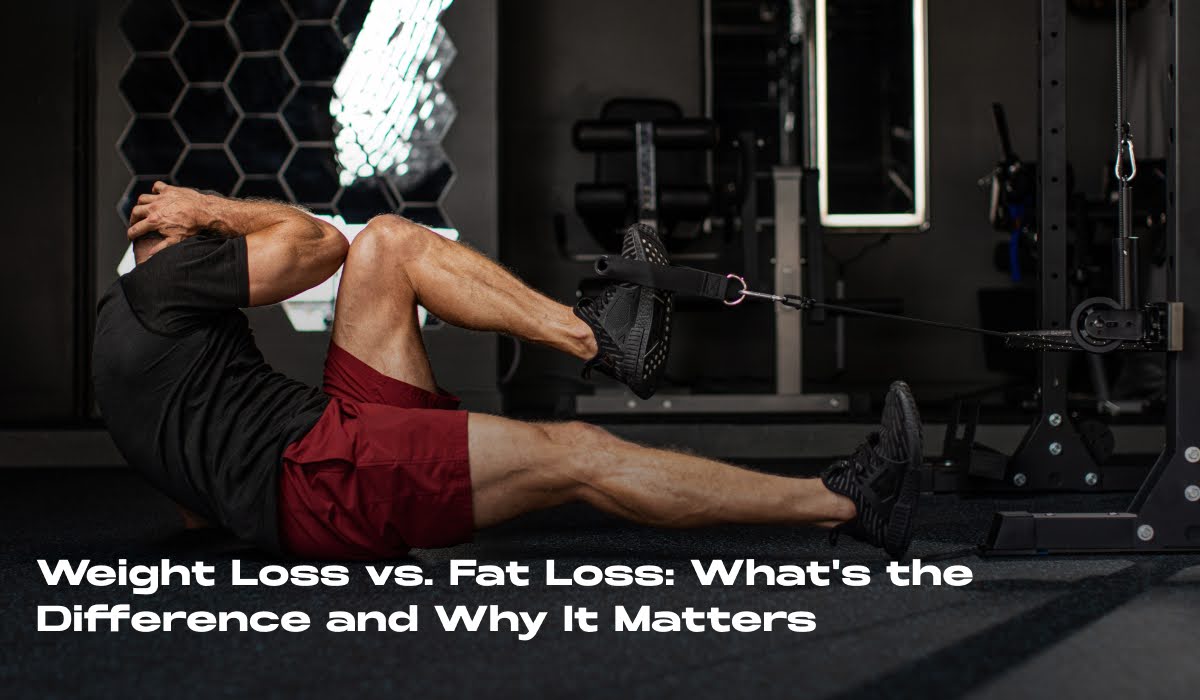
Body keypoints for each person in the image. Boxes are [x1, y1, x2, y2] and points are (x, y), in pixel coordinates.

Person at [93, 182, 923, 561]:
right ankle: (848, 501)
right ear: (167, 248)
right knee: (578, 455)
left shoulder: (119, 341)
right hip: (327, 474)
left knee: (391, 239)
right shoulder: (167, 271)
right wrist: (209, 211)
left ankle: (599, 339)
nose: (219, 244)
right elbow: (318, 245)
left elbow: (192, 503)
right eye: (203, 240)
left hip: (321, 445)